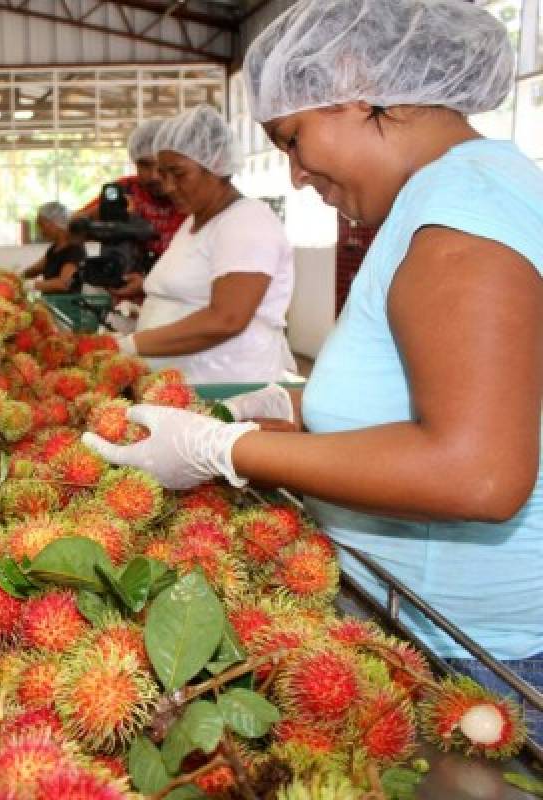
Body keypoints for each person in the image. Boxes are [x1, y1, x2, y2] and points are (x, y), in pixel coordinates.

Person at [83, 0, 543, 737]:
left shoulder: (462, 210)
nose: (295, 176)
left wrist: (222, 450)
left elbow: (479, 474)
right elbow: (446, 398)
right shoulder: (457, 194)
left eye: (294, 140)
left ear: (356, 87)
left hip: (476, 658)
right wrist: (297, 410)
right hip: (433, 631)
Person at [116, 105, 297, 383]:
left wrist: (131, 345)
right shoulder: (194, 222)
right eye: (163, 174)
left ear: (217, 167)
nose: (168, 186)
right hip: (183, 384)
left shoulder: (246, 222)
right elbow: (189, 294)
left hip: (227, 389)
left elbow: (226, 319)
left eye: (178, 173)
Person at [76, 119, 188, 302]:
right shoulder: (124, 190)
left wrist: (146, 283)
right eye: (144, 165)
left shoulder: (189, 196)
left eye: (160, 167)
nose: (154, 176)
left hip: (176, 302)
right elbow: (72, 229)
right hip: (125, 306)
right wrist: (105, 214)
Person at [20, 202, 86, 294]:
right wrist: (16, 278)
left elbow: (63, 284)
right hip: (51, 303)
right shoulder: (54, 248)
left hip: (66, 305)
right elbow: (35, 269)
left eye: (42, 225)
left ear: (54, 223)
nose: (41, 230)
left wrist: (32, 285)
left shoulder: (75, 250)